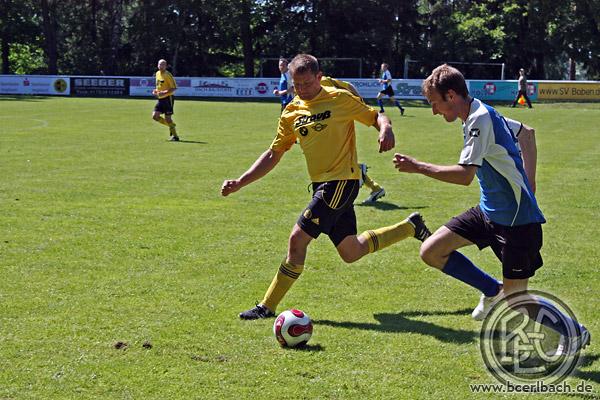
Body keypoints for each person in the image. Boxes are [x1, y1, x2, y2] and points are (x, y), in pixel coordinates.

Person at [393, 64, 589, 355]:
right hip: (488, 212)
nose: (433, 111)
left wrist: (418, 167)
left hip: (516, 222)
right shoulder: (478, 112)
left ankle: (574, 332)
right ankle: (491, 289)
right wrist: (530, 183)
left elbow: (464, 175)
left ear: (451, 96)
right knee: (431, 251)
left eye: (434, 103)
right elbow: (527, 133)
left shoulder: (480, 119)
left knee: (517, 301)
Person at [222, 54, 431, 320]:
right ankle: (410, 227)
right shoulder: (291, 111)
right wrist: (241, 181)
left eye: (307, 83)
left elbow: (375, 116)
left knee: (297, 239)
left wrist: (385, 129)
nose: (302, 89)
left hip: (341, 182)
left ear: (319, 77)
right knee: (351, 251)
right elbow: (274, 153)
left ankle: (267, 306)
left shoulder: (339, 99)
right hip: (321, 184)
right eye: (297, 85)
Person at [320, 75, 386, 203]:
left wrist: (361, 104)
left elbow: (349, 86)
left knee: (333, 161)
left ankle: (358, 170)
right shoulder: (302, 89)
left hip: (337, 123)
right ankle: (374, 187)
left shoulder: (323, 81)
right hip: (324, 126)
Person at [152, 59, 179, 141]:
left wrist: (163, 93)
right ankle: (171, 125)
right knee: (155, 116)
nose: (161, 66)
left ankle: (175, 137)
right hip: (160, 99)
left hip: (168, 99)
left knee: (168, 119)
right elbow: (159, 86)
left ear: (166, 66)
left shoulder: (168, 75)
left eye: (163, 65)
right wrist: (155, 91)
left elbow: (174, 88)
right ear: (157, 65)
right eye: (160, 64)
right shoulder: (157, 73)